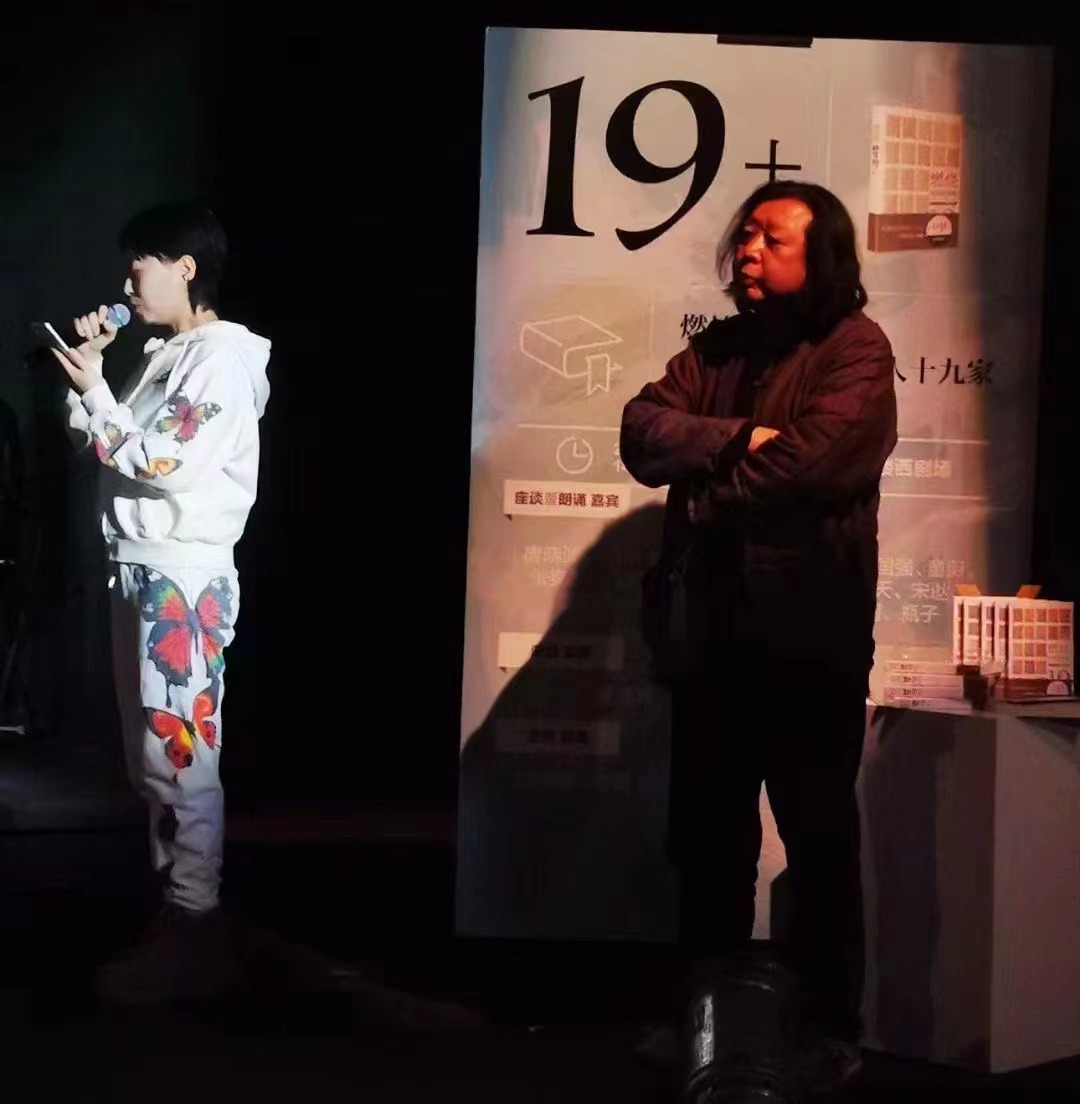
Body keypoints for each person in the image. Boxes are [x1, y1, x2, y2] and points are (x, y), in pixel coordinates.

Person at [620, 180, 897, 1093]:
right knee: (708, 845)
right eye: (745, 234)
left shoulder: (857, 349)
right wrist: (742, 435)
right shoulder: (719, 347)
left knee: (818, 842)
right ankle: (703, 1017)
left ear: (822, 255)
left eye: (772, 238)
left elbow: (815, 463)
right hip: (711, 639)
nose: (748, 249)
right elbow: (640, 431)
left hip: (810, 643)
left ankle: (829, 1028)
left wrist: (705, 488)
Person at [52, 202, 271, 1005]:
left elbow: (164, 461)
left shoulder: (221, 358)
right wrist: (89, 379)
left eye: (138, 265)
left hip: (181, 574)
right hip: (143, 565)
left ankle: (194, 926)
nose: (126, 285)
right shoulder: (167, 354)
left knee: (180, 755)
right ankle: (177, 919)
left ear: (185, 268)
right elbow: (105, 448)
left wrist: (98, 394)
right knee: (155, 758)